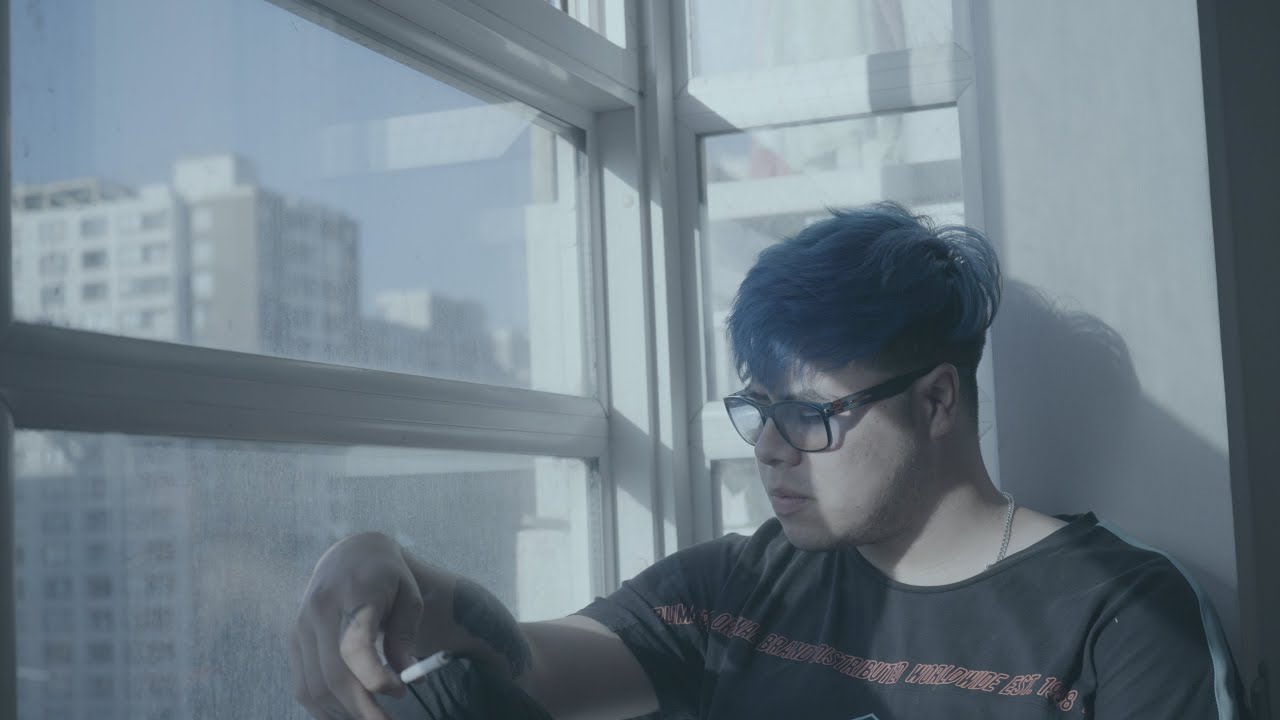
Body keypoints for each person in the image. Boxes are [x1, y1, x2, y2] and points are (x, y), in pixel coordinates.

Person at [290, 202, 1249, 719]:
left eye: (809, 415)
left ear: (937, 401)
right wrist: (381, 565)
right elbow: (524, 662)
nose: (770, 448)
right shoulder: (739, 591)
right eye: (758, 410)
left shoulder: (1120, 620)